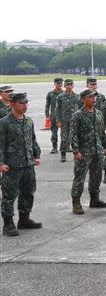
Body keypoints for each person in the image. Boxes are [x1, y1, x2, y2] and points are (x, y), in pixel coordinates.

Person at [0, 93, 43, 237]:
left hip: (28, 164)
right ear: (12, 104)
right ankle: (8, 224)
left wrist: (36, 155)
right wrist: (1, 163)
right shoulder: (4, 123)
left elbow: (33, 140)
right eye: (21, 103)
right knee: (9, 195)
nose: (25, 106)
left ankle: (24, 219)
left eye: (26, 103)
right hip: (12, 166)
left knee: (28, 192)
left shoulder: (28, 121)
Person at [70, 89, 106, 215]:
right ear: (83, 99)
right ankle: (76, 203)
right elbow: (73, 134)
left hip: (97, 151)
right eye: (90, 97)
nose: (94, 99)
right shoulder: (78, 115)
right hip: (84, 152)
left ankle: (95, 199)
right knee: (80, 178)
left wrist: (105, 146)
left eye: (94, 97)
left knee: (97, 176)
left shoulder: (98, 113)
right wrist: (76, 151)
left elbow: (102, 132)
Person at [54, 79, 81, 162]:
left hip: (75, 121)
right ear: (64, 86)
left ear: (73, 86)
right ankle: (63, 155)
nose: (69, 86)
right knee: (64, 138)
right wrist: (58, 121)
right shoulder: (60, 97)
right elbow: (57, 110)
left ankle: (76, 154)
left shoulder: (77, 96)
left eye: (71, 85)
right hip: (64, 121)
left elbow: (81, 109)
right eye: (67, 85)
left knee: (75, 138)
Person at [44, 78, 64, 153]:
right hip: (54, 116)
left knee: (64, 133)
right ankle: (54, 148)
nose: (59, 85)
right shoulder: (50, 94)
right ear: (54, 84)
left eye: (61, 83)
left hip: (63, 116)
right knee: (54, 133)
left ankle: (65, 147)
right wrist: (47, 116)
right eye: (58, 83)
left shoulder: (64, 93)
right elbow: (47, 106)